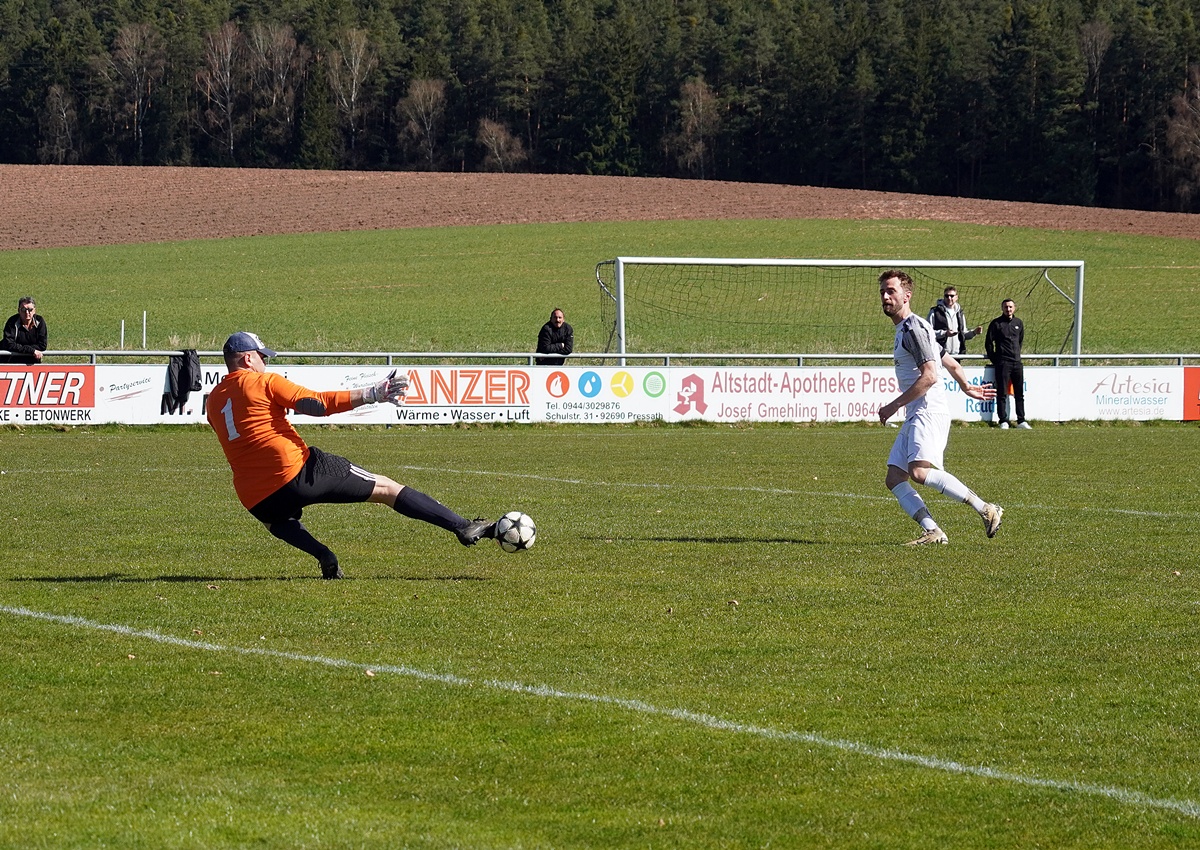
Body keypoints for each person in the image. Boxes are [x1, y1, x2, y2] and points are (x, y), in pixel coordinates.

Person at [206, 331, 497, 579]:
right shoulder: (263, 382)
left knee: (277, 522)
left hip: (255, 495)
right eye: (262, 356)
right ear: (247, 359)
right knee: (386, 488)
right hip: (299, 471)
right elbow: (317, 404)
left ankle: (323, 555)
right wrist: (372, 393)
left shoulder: (214, 399)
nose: (266, 361)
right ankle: (463, 526)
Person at [877, 270, 1004, 546]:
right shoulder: (912, 328)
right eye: (883, 293)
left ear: (906, 296)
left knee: (919, 473)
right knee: (894, 478)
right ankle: (933, 531)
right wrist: (966, 386)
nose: (886, 297)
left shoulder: (913, 328)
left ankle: (986, 508)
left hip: (927, 410)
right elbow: (950, 362)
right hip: (917, 412)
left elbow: (930, 375)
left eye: (891, 292)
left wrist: (892, 406)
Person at [985, 298, 1030, 429]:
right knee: (1002, 393)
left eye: (1010, 307)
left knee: (1019, 394)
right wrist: (996, 360)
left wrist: (1016, 355)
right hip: (1003, 363)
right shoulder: (996, 324)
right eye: (1006, 307)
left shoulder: (1018, 323)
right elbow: (988, 343)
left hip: (1017, 363)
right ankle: (1003, 420)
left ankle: (1021, 420)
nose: (1008, 309)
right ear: (1002, 308)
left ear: (1014, 308)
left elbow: (1020, 341)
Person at [927, 286, 982, 358]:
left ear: (956, 297)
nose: (949, 298)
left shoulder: (960, 313)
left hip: (957, 354)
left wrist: (974, 332)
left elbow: (963, 334)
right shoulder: (934, 312)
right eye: (946, 296)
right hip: (940, 354)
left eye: (952, 296)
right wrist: (944, 333)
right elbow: (928, 332)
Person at [1, 297, 48, 364]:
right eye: (23, 309)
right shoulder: (12, 322)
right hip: (11, 362)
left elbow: (42, 345)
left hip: (32, 362)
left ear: (34, 310)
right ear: (19, 310)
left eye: (30, 310)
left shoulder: (39, 321)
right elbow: (9, 344)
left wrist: (23, 348)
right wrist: (31, 350)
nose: (27, 312)